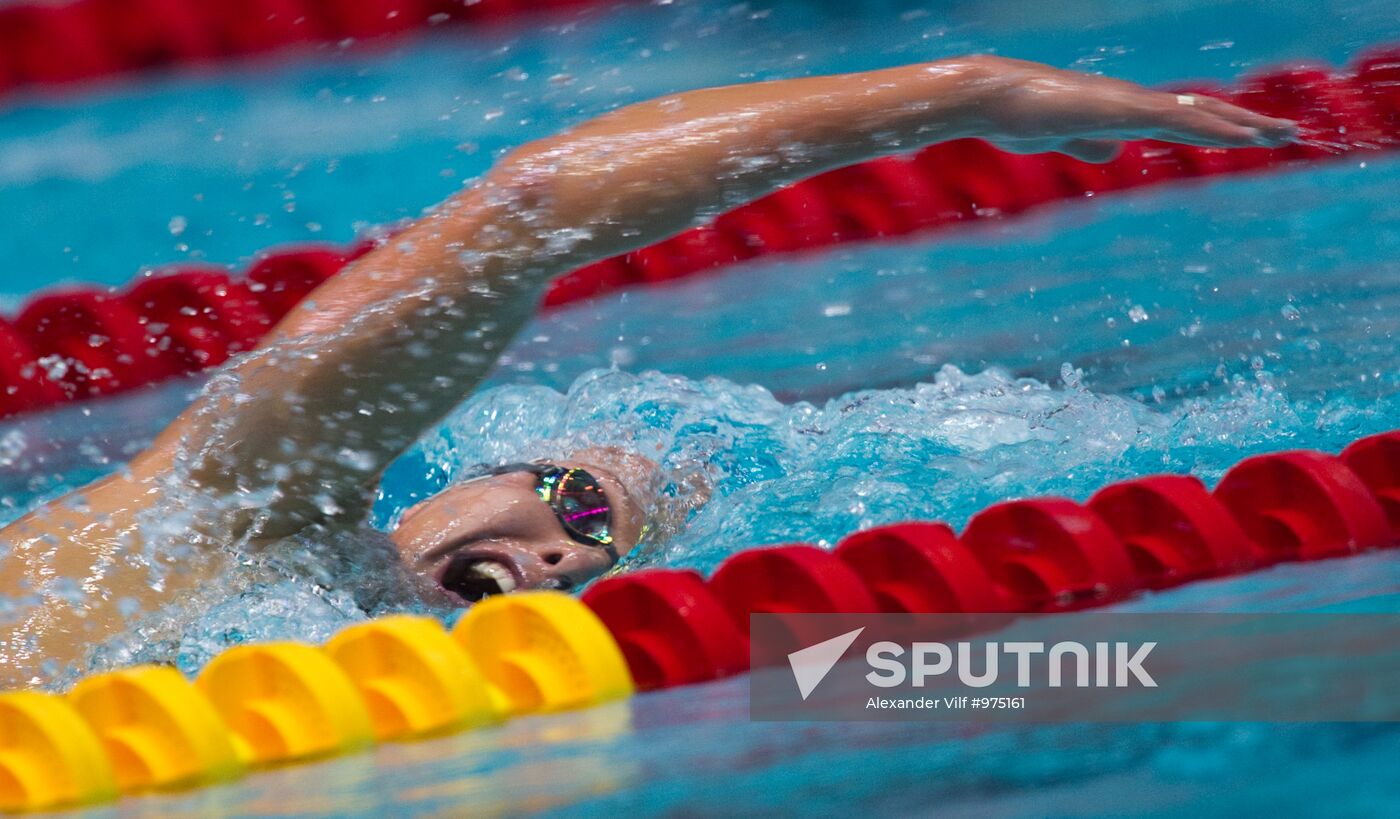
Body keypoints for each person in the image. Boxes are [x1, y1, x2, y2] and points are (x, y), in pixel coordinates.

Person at [0, 55, 1294, 687]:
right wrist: (966, 96)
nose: (567, 560)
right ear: (431, 494)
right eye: (570, 505)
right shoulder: (226, 519)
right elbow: (538, 203)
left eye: (596, 562)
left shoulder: (336, 658)